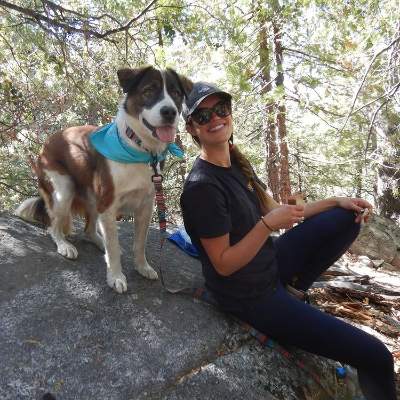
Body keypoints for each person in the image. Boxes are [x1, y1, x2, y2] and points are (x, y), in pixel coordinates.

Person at [180, 82, 397, 400]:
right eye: (203, 115)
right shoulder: (202, 187)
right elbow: (224, 265)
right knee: (377, 356)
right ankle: (288, 307)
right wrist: (267, 226)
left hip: (269, 266)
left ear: (230, 112)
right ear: (191, 128)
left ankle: (294, 291)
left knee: (344, 218)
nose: (215, 118)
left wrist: (336, 201)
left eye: (221, 109)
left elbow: (277, 211)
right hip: (250, 296)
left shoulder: (235, 164)